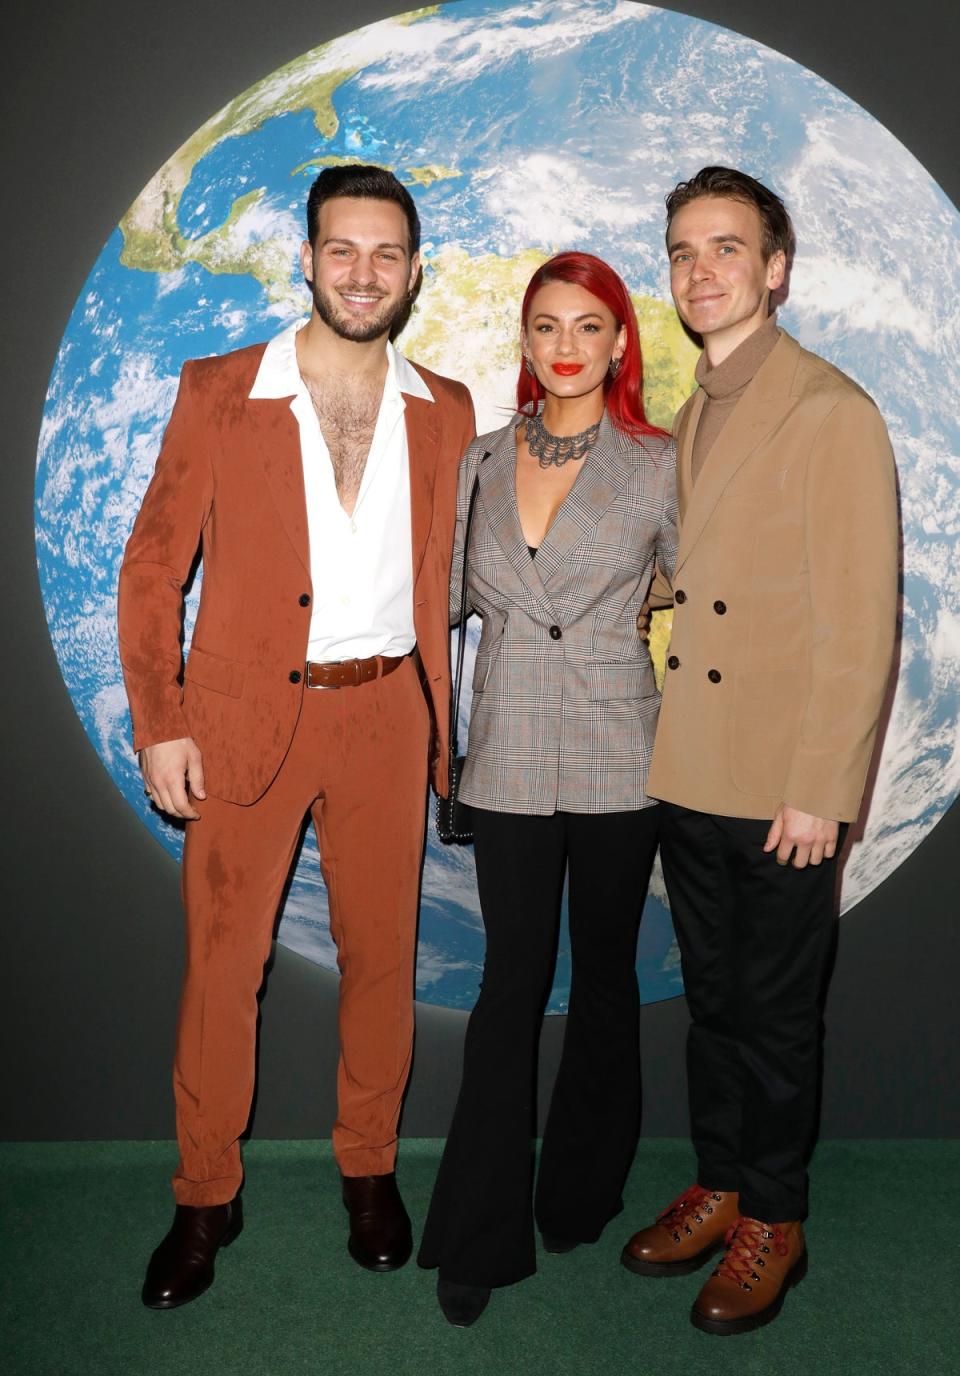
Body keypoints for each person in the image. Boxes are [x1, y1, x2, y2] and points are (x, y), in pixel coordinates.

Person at [118, 164, 475, 1309]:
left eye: (385, 254)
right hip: (240, 721)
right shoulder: (221, 390)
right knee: (224, 971)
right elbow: (150, 571)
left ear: (413, 273)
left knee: (382, 964)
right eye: (342, 249)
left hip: (388, 718)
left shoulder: (449, 408)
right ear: (307, 257)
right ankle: (203, 1192)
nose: (362, 272)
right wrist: (162, 722)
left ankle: (369, 1171)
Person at [621, 167, 898, 1336]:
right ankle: (724, 1178)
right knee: (717, 1005)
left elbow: (857, 621)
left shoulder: (830, 409)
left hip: (783, 785)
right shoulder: (694, 409)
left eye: (727, 248)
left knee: (778, 1016)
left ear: (776, 267)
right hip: (695, 767)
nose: (703, 270)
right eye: (684, 250)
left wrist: (820, 791)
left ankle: (774, 1216)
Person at [417, 252, 678, 1327]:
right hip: (512, 752)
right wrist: (437, 755)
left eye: (588, 325)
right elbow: (440, 609)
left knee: (608, 983)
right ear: (523, 341)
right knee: (510, 988)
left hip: (624, 752)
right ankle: (481, 1229)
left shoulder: (661, 463)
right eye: (545, 326)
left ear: (620, 341)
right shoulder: (475, 461)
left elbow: (695, 588)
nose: (566, 345)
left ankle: (580, 1187)